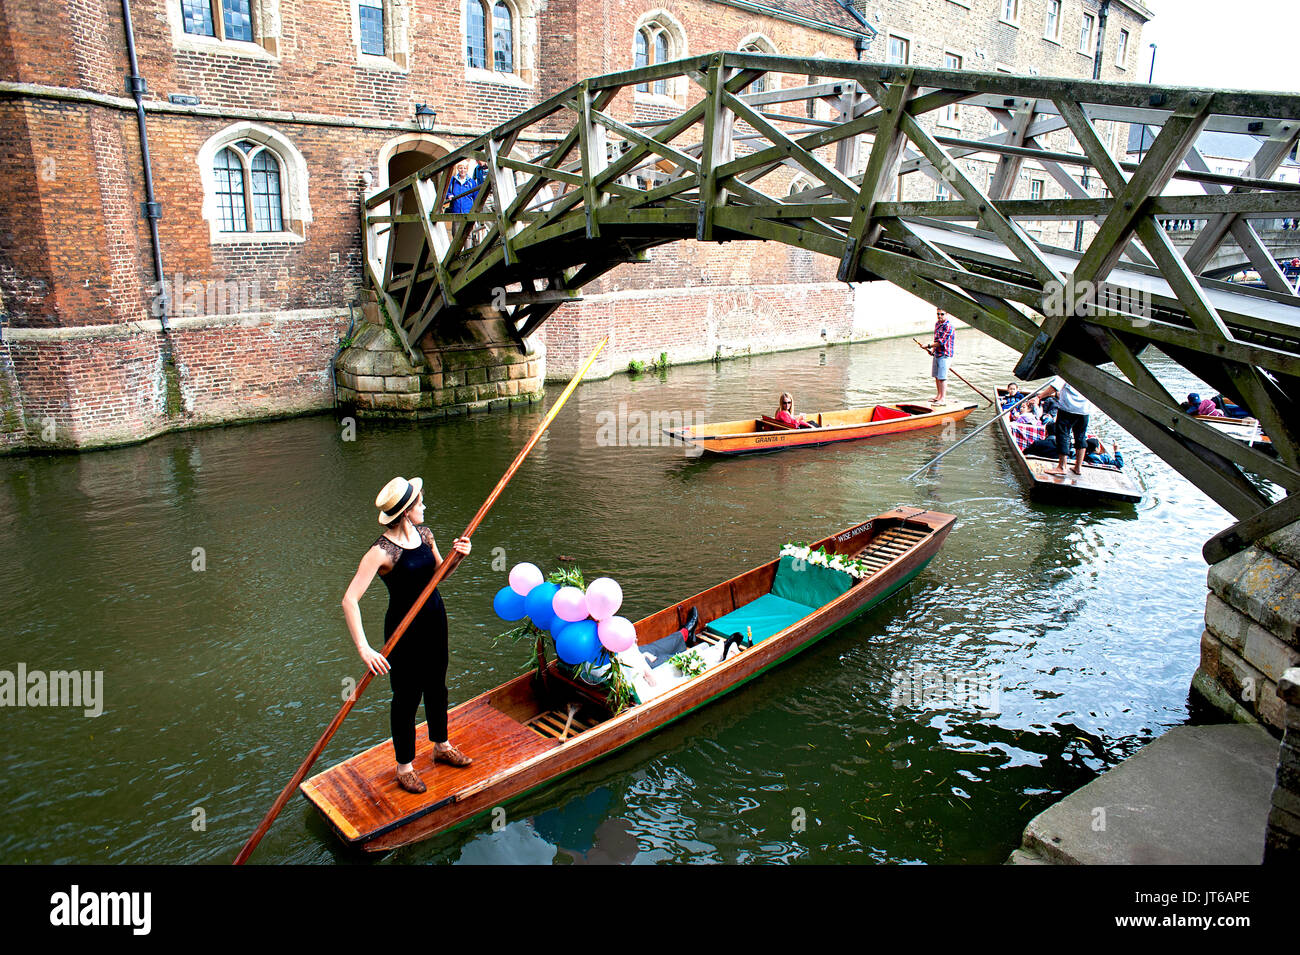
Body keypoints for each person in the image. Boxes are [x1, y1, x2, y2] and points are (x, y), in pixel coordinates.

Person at [342, 476, 473, 795]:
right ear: (405, 511)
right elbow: (349, 599)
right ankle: (405, 768)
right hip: (403, 632)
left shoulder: (425, 535)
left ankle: (441, 746)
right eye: (419, 503)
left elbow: (439, 576)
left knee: (437, 686)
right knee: (406, 698)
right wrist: (364, 648)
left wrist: (458, 557)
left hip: (434, 620)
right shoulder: (381, 551)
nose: (424, 506)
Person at [1041, 375, 1093, 477]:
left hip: (1068, 408)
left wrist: (1039, 397)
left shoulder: (1067, 370)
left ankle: (1062, 466)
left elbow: (1054, 387)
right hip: (1084, 409)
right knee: (1081, 436)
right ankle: (1078, 467)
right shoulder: (1092, 373)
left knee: (1062, 435)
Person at [921, 308, 955, 404]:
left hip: (945, 354)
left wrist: (927, 345)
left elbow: (941, 342)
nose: (939, 316)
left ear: (947, 314)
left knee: (942, 377)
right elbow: (936, 339)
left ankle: (943, 399)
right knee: (936, 375)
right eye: (938, 314)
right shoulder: (937, 324)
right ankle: (938, 396)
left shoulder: (949, 326)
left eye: (942, 314)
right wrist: (932, 350)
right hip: (937, 353)